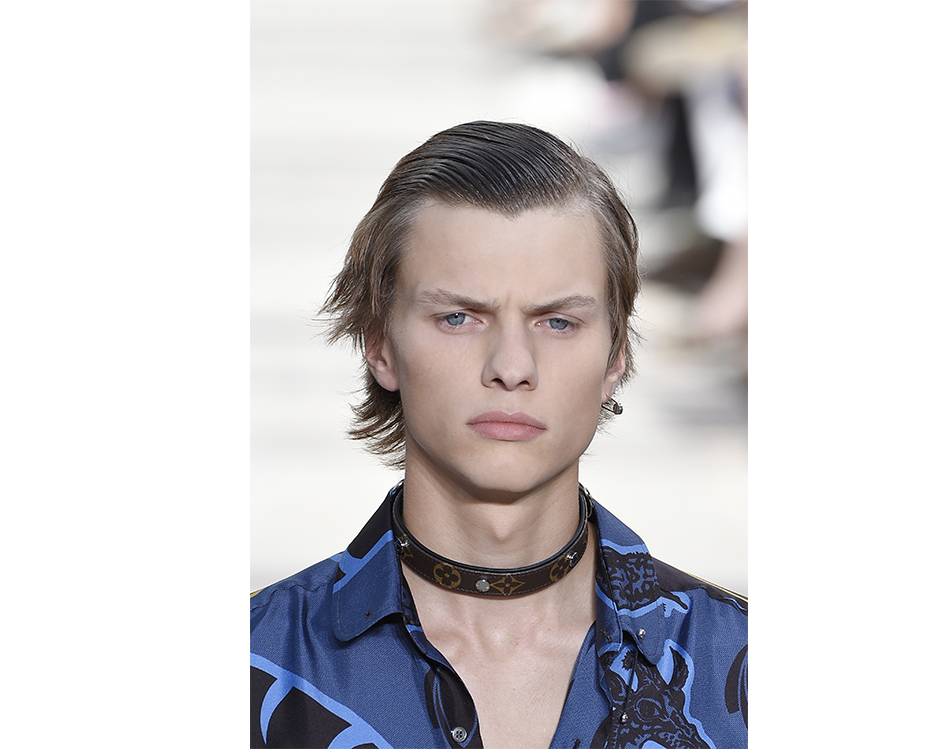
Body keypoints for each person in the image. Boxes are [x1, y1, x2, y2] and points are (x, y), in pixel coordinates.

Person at [250, 121, 748, 749]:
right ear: (379, 345)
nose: (512, 367)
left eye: (557, 322)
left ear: (616, 354)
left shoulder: (746, 668)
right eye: (459, 317)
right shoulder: (254, 667)